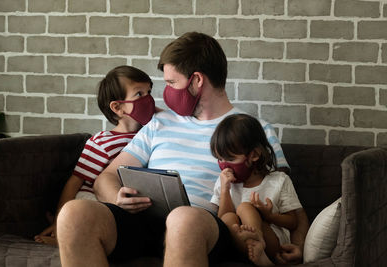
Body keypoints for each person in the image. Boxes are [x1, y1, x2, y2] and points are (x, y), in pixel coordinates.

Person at [56, 32, 308, 267]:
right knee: (75, 213)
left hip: (205, 226)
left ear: (197, 80)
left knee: (183, 219)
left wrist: (297, 246)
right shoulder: (159, 123)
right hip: (143, 222)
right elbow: (105, 178)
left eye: (171, 82)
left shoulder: (254, 130)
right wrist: (116, 198)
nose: (166, 93)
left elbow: (285, 196)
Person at [34, 65, 156, 246]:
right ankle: (62, 237)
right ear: (117, 107)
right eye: (139, 94)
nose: (149, 99)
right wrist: (59, 219)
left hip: (122, 204)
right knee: (86, 214)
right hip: (93, 199)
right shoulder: (102, 142)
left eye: (149, 92)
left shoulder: (149, 135)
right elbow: (75, 181)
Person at [210, 113, 303, 265]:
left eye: (231, 159)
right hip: (238, 244)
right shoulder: (223, 182)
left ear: (254, 155)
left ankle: (257, 241)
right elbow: (222, 219)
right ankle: (259, 258)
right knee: (228, 218)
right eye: (220, 159)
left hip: (272, 243)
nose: (224, 165)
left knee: (244, 207)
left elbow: (293, 222)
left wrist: (269, 215)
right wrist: (225, 189)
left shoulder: (279, 180)